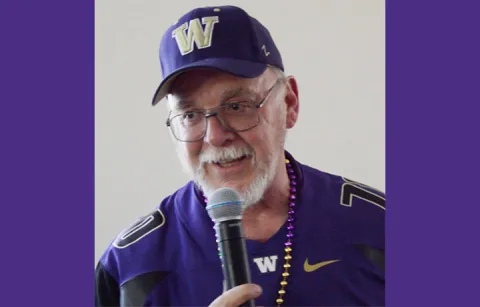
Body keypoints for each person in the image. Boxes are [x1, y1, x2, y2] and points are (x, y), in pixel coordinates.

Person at [95, 5, 385, 307]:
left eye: (237, 106)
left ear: (289, 102)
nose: (215, 136)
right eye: (190, 114)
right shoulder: (129, 265)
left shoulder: (378, 227)